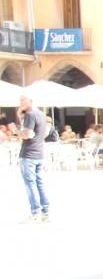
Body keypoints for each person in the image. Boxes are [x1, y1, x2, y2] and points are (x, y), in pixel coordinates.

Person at [15, 94, 51, 223]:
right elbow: (45, 133)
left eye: (22, 100)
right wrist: (20, 117)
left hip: (28, 154)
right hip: (39, 153)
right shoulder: (41, 114)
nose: (20, 103)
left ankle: (35, 212)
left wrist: (15, 131)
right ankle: (46, 212)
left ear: (30, 101)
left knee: (30, 184)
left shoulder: (30, 114)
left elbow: (28, 134)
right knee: (40, 183)